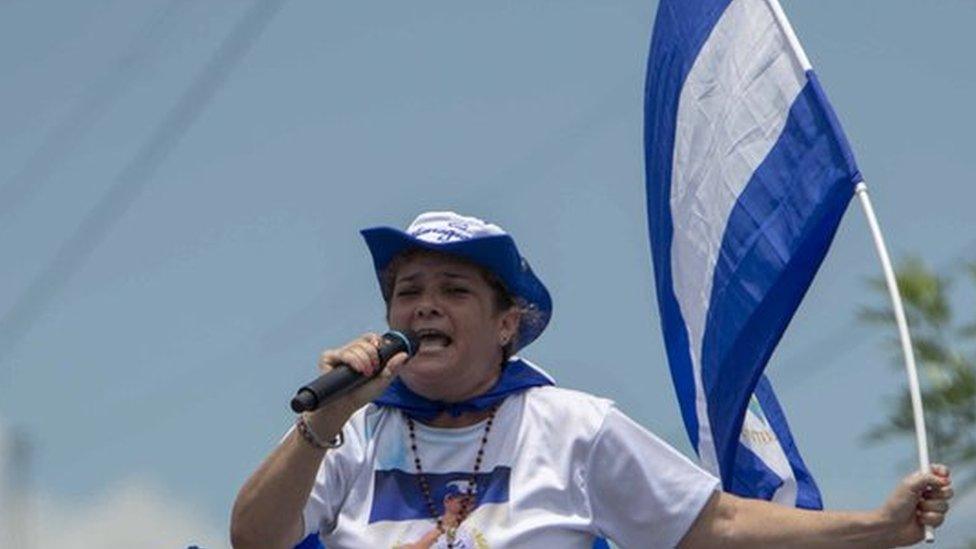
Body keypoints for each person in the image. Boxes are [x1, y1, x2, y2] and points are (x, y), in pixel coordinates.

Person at [231, 211, 954, 549]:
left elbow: (715, 523)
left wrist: (880, 526)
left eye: (453, 289)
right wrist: (323, 421)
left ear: (507, 322)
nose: (423, 304)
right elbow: (253, 538)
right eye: (407, 289)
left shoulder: (572, 423)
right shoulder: (347, 428)